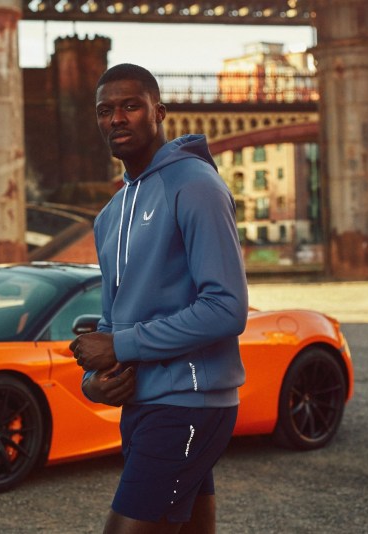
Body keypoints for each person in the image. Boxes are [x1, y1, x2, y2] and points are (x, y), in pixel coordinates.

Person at [69, 63, 248, 534]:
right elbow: (113, 320)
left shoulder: (195, 185)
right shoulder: (109, 216)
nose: (117, 119)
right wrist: (94, 382)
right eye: (105, 110)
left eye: (131, 106)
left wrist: (121, 346)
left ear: (159, 112)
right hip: (143, 405)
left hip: (190, 405)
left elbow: (227, 307)